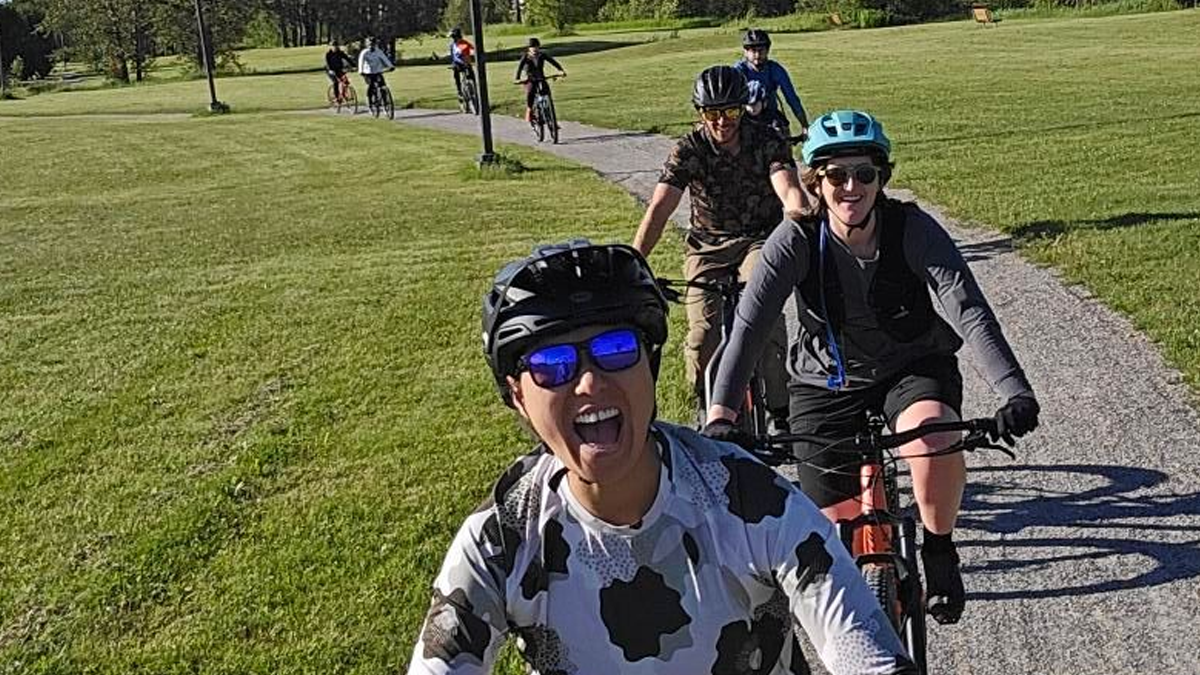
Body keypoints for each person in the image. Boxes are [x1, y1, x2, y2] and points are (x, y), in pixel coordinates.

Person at [406, 239, 918, 675]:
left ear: (650, 368)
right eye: (552, 364)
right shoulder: (503, 538)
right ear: (518, 396)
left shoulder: (750, 501)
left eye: (615, 350)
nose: (589, 381)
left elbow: (862, 647)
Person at [704, 110, 1041, 626]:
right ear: (816, 182)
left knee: (931, 437)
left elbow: (965, 305)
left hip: (911, 368)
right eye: (836, 175)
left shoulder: (912, 229)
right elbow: (748, 328)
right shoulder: (795, 240)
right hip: (824, 383)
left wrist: (1015, 393)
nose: (851, 187)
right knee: (831, 541)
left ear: (882, 177)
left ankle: (939, 548)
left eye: (864, 173)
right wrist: (721, 416)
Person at [632, 65, 806, 432]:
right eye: (712, 113)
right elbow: (660, 208)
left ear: (744, 109)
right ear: (700, 114)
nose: (722, 122)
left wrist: (798, 214)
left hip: (759, 240)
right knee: (701, 335)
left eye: (731, 112)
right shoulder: (689, 149)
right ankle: (706, 404)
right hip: (707, 247)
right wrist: (634, 262)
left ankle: (781, 408)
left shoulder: (767, 139)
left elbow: (787, 186)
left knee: (766, 320)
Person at [733, 29, 809, 139]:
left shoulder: (775, 70)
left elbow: (791, 98)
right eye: (753, 50)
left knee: (782, 133)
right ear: (745, 52)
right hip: (744, 116)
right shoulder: (738, 71)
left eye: (761, 50)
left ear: (767, 50)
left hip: (770, 114)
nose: (757, 55)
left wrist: (804, 126)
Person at [514, 37, 565, 125]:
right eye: (532, 47)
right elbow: (520, 67)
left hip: (541, 77)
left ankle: (552, 120)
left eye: (536, 47)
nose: (534, 49)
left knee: (547, 93)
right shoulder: (526, 57)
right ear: (529, 48)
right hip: (530, 79)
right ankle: (529, 110)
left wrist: (561, 70)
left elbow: (553, 62)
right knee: (531, 92)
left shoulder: (542, 55)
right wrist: (518, 78)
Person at [358, 36, 395, 108]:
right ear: (367, 45)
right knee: (370, 86)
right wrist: (361, 71)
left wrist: (391, 66)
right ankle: (369, 101)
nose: (371, 46)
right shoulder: (364, 53)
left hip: (378, 71)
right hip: (368, 72)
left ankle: (385, 102)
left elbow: (385, 59)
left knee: (383, 86)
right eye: (370, 44)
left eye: (373, 44)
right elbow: (361, 62)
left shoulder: (378, 51)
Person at [447, 26, 475, 108]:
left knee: (471, 77)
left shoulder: (464, 43)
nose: (454, 39)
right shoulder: (453, 45)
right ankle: (459, 90)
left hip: (466, 63)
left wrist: (472, 54)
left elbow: (472, 49)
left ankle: (474, 91)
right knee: (456, 73)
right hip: (458, 64)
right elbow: (453, 57)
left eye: (454, 37)